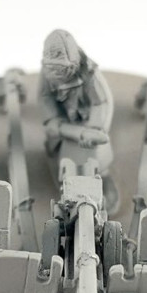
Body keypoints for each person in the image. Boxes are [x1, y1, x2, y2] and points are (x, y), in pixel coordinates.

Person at [39, 29, 118, 210]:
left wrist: (93, 129)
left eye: (62, 69)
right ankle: (65, 180)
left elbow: (101, 103)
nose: (57, 74)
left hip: (88, 122)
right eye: (53, 69)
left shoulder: (90, 74)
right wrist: (53, 120)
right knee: (56, 147)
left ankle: (102, 176)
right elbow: (45, 98)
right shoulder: (47, 73)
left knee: (98, 154)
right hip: (63, 121)